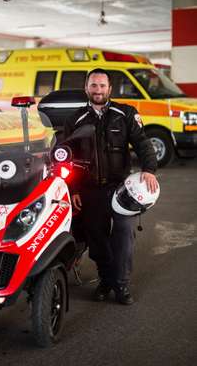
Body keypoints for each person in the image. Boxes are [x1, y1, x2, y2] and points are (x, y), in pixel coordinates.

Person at [63, 68, 158, 305]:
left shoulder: (125, 114)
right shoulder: (75, 119)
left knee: (124, 235)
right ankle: (106, 280)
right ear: (86, 88)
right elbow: (66, 157)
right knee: (97, 238)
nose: (98, 90)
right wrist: (72, 189)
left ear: (110, 89)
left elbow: (143, 144)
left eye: (102, 86)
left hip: (121, 189)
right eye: (93, 85)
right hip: (89, 190)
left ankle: (122, 285)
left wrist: (149, 169)